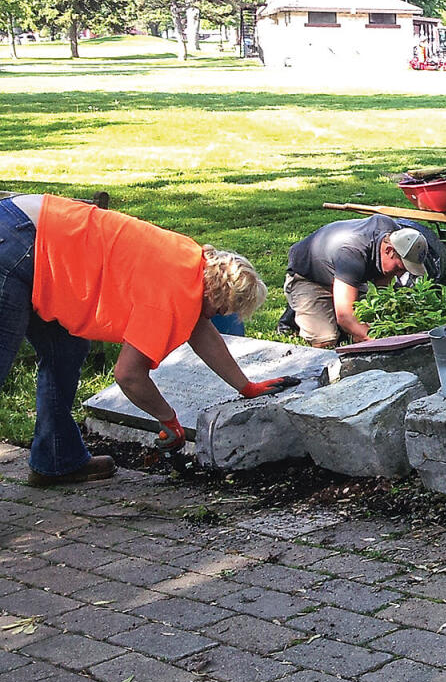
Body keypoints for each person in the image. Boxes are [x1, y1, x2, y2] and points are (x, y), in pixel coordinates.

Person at [0, 194, 290, 486]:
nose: (217, 316)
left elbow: (200, 331)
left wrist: (245, 386)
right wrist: (168, 419)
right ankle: (55, 459)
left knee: (66, 351)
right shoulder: (170, 296)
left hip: (34, 233)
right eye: (221, 310)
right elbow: (128, 375)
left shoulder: (192, 263)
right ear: (214, 295)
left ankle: (56, 459)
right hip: (20, 243)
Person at [282, 216, 446, 347]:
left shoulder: (394, 233)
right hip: (309, 276)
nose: (401, 273)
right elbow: (345, 317)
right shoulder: (352, 256)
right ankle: (295, 313)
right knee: (327, 339)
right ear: (388, 250)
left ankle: (322, 307)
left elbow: (383, 280)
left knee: (363, 323)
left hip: (345, 273)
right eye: (401, 267)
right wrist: (378, 340)